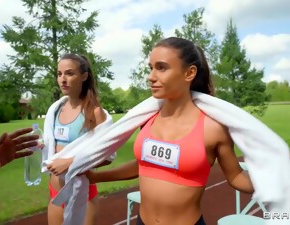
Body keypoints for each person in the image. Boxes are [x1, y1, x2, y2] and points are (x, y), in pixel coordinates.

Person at [85, 37, 254, 225]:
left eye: (162, 68)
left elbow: (237, 176)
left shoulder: (213, 128)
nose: (151, 76)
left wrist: (275, 182)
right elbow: (145, 164)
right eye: (151, 68)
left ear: (189, 73)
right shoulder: (147, 118)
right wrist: (96, 177)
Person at [45, 54, 115, 225]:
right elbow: (51, 147)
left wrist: (71, 162)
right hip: (56, 191)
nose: (63, 79)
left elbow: (107, 156)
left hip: (82, 193)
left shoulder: (95, 113)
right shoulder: (55, 111)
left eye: (69, 73)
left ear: (84, 76)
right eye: (59, 74)